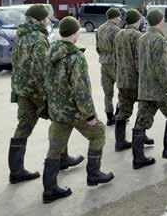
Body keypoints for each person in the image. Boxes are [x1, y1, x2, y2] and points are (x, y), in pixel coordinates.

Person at [7, 4, 83, 185]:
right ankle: (61, 159)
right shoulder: (38, 39)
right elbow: (42, 69)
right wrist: (50, 92)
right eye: (47, 17)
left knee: (23, 127)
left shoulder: (20, 35)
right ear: (41, 19)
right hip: (37, 91)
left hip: (22, 89)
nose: (48, 20)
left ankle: (16, 170)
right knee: (61, 121)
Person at [42, 16, 114, 203]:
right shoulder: (75, 57)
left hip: (57, 112)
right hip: (74, 112)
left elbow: (46, 83)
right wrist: (89, 115)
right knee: (98, 133)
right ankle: (94, 174)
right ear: (74, 33)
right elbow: (81, 90)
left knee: (55, 148)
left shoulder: (50, 52)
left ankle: (49, 190)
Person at [133, 9, 167, 169]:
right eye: (162, 19)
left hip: (144, 89)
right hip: (159, 90)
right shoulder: (158, 39)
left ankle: (138, 158)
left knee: (141, 121)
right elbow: (162, 68)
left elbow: (137, 64)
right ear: (159, 21)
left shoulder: (141, 39)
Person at [113, 9, 154, 152]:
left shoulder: (118, 34)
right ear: (137, 20)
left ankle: (120, 141)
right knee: (143, 109)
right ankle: (140, 136)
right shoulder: (138, 36)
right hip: (136, 80)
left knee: (123, 110)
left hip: (122, 79)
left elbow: (115, 56)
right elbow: (140, 60)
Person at [96, 8, 122, 126]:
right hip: (115, 64)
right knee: (122, 90)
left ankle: (109, 117)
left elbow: (97, 47)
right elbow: (120, 49)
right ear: (115, 17)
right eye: (119, 17)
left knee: (108, 93)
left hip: (103, 63)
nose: (120, 19)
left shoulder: (100, 29)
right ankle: (118, 114)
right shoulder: (117, 30)